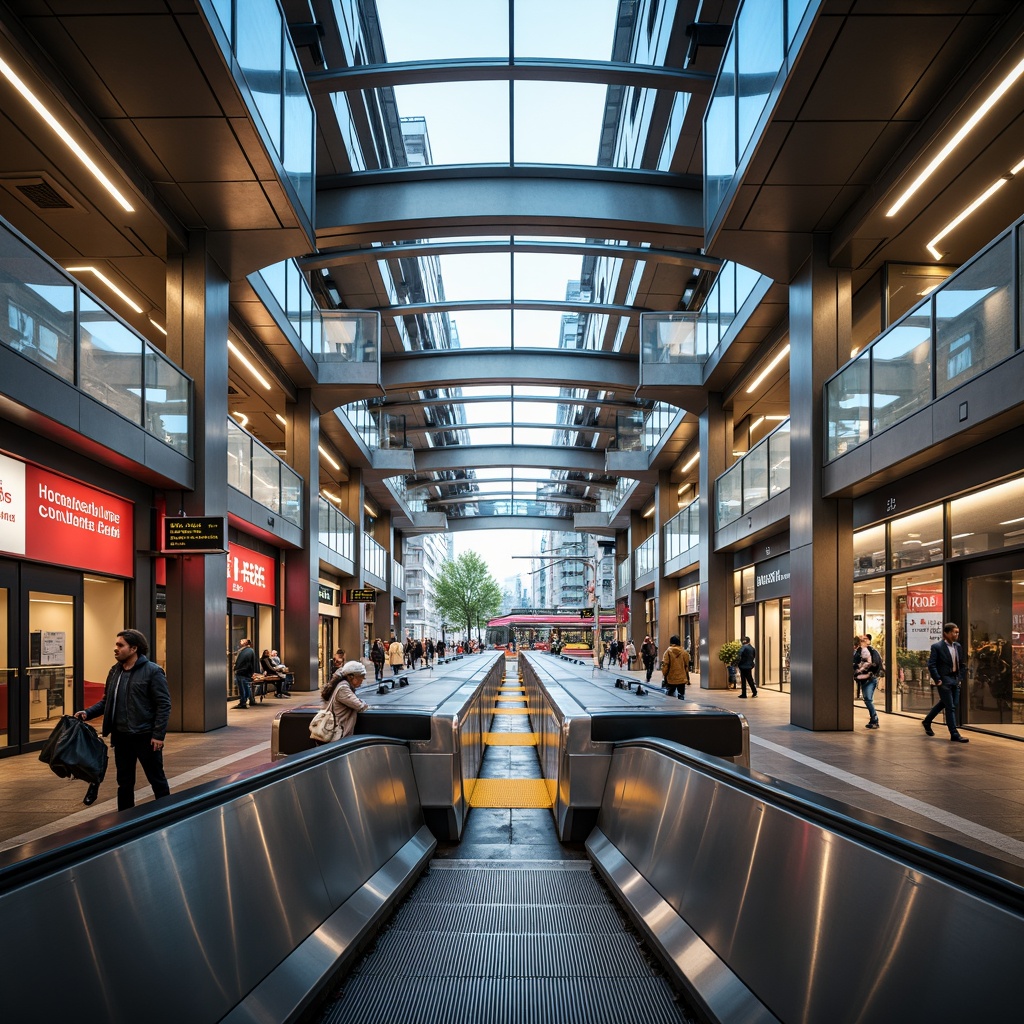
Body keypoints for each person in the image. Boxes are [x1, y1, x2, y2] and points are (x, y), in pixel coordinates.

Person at [76, 629, 171, 811]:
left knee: (156, 778)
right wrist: (87, 713)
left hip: (145, 736)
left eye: (120, 645)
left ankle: (167, 814)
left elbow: (163, 705)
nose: (115, 649)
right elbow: (106, 701)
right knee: (124, 782)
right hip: (121, 737)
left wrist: (158, 734)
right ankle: (125, 819)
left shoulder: (153, 671)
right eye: (116, 644)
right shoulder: (115, 671)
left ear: (134, 648)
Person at [924, 622, 969, 743]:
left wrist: (960, 678)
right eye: (955, 632)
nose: (957, 634)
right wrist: (938, 679)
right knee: (950, 707)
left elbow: (962, 663)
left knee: (949, 703)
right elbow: (931, 665)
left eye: (958, 632)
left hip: (955, 679)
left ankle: (927, 721)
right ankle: (954, 733)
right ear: (946, 633)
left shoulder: (958, 646)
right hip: (944, 680)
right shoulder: (937, 647)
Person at [313, 656, 369, 744]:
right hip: (337, 733)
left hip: (337, 732)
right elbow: (360, 706)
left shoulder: (341, 685)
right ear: (351, 676)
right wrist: (363, 703)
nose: (362, 680)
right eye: (361, 677)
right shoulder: (343, 688)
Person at [853, 635, 880, 728]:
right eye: (861, 639)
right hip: (864, 678)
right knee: (867, 699)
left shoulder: (870, 651)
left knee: (868, 699)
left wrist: (859, 670)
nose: (862, 641)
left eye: (864, 639)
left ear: (868, 641)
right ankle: (874, 719)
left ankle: (875, 719)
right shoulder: (859, 651)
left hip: (869, 678)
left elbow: (872, 664)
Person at [233, 637, 257, 709]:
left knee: (243, 687)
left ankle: (243, 702)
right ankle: (248, 700)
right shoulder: (249, 651)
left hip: (242, 672)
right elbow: (253, 662)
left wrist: (237, 668)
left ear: (245, 643)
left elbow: (243, 662)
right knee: (246, 687)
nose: (240, 642)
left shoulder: (245, 651)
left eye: (242, 641)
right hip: (245, 672)